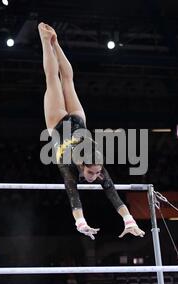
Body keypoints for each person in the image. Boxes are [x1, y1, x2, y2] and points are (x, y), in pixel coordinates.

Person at [38, 22, 145, 240]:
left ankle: (55, 43)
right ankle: (46, 41)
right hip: (64, 121)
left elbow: (111, 192)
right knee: (56, 80)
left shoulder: (88, 164)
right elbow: (74, 194)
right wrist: (81, 222)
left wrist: (128, 221)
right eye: (92, 173)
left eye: (96, 173)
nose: (95, 176)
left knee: (65, 80)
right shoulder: (68, 162)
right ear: (83, 165)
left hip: (64, 124)